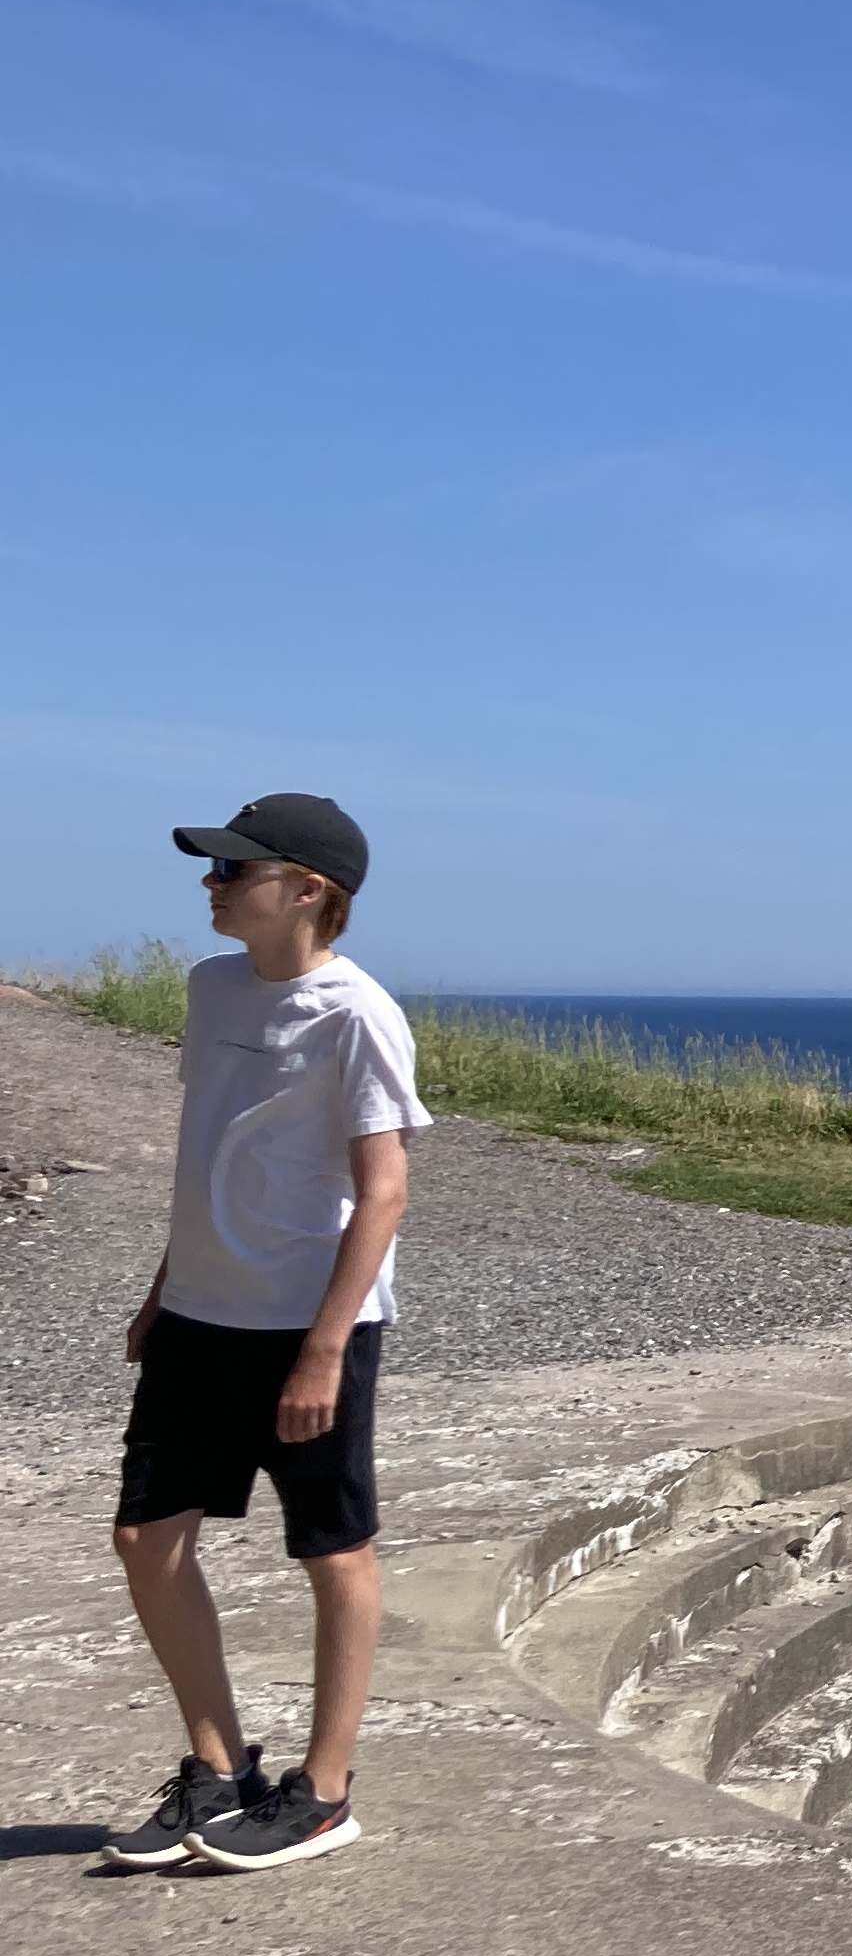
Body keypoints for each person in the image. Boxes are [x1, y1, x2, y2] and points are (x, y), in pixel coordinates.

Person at [99, 793, 431, 1872]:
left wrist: (325, 1349)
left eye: (236, 869)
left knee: (333, 1548)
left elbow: (384, 1191)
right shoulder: (211, 987)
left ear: (308, 890)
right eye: (214, 867)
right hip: (200, 1313)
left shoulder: (357, 1013)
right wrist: (164, 1285)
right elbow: (214, 1154)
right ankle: (218, 1771)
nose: (213, 883)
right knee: (147, 1539)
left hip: (307, 1324)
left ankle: (324, 1792)